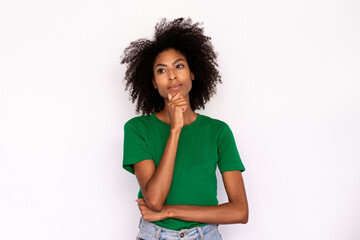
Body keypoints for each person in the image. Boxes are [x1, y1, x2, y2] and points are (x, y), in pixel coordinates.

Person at [121, 17, 248, 240]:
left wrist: (171, 211)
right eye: (161, 70)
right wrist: (175, 130)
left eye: (179, 66)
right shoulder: (138, 129)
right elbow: (155, 199)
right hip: (155, 235)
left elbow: (240, 211)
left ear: (192, 72)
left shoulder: (218, 131)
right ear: (153, 82)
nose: (171, 75)